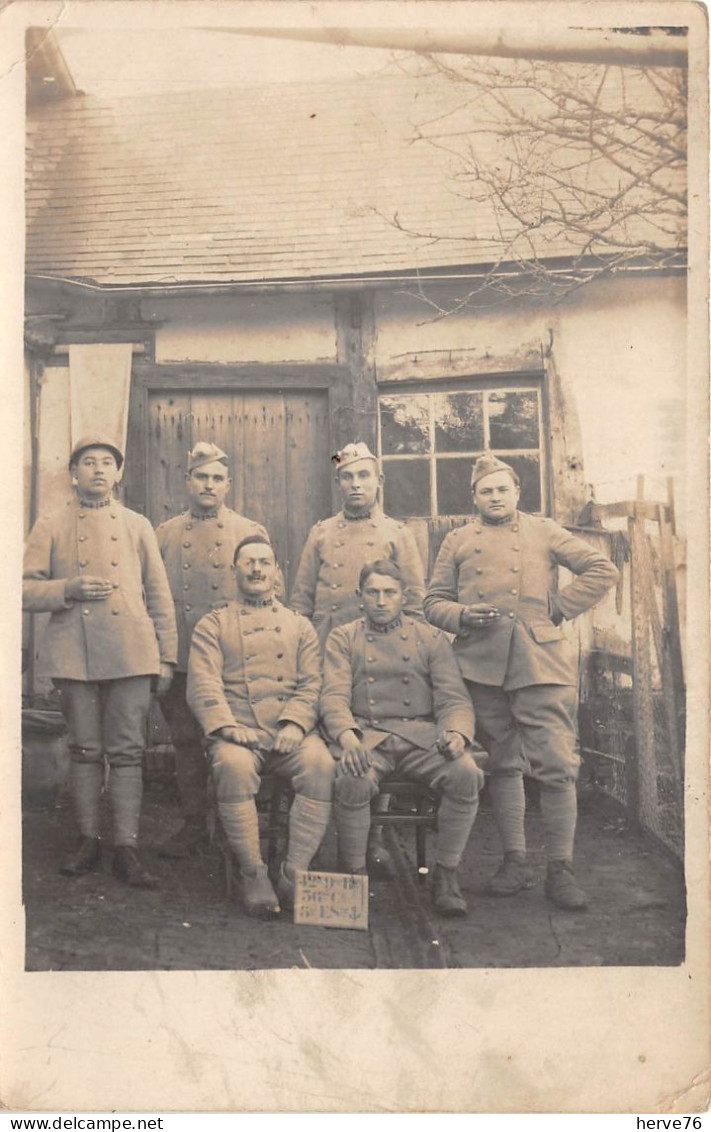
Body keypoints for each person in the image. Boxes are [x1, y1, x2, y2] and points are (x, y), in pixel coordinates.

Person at [424, 452, 619, 911]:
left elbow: (602, 569)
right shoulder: (456, 540)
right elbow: (432, 602)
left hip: (540, 665)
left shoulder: (543, 530)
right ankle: (515, 861)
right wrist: (462, 616)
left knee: (556, 765)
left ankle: (561, 868)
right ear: (473, 497)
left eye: (502, 489)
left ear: (517, 493)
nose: (495, 497)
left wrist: (557, 607)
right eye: (486, 490)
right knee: (503, 763)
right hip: (480, 666)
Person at [23, 436, 177, 888]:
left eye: (106, 463)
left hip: (131, 651)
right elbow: (22, 589)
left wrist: (166, 657)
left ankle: (126, 847)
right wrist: (66, 589)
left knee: (128, 752)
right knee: (85, 749)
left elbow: (160, 593)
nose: (97, 470)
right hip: (76, 654)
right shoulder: (51, 523)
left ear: (118, 473)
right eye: (87, 462)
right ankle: (88, 839)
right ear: (74, 473)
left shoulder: (136, 524)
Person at [290, 440, 426, 876]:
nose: (355, 484)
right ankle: (320, 839)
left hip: (380, 656)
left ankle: (374, 839)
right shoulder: (321, 533)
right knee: (332, 744)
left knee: (376, 734)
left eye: (363, 475)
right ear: (338, 483)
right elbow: (300, 601)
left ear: (379, 482)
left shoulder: (397, 535)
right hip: (328, 653)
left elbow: (417, 607)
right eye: (347, 476)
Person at [321, 559, 484, 916]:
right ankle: (354, 877)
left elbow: (453, 698)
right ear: (359, 596)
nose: (381, 601)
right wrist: (347, 739)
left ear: (404, 596)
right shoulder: (343, 637)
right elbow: (333, 697)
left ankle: (447, 874)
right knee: (351, 779)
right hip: (367, 735)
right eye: (373, 592)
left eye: (389, 592)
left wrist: (456, 733)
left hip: (419, 737)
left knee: (466, 774)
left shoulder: (430, 637)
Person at [186, 535, 335, 918]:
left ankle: (293, 873)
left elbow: (312, 683)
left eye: (264, 562)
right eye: (248, 562)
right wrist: (227, 727)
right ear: (234, 570)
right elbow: (203, 683)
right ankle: (252, 872)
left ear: (276, 572)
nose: (256, 569)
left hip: (288, 730)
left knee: (320, 765)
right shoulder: (213, 624)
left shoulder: (299, 626)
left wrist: (296, 723)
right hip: (237, 732)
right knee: (233, 767)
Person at [155, 441, 279, 858]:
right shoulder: (167, 534)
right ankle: (193, 825)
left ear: (228, 485)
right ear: (188, 482)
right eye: (201, 477)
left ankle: (233, 829)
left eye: (217, 479)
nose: (209, 485)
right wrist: (164, 658)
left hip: (235, 662)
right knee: (187, 744)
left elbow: (268, 599)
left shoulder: (249, 532)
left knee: (234, 745)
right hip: (185, 659)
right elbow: (153, 598)